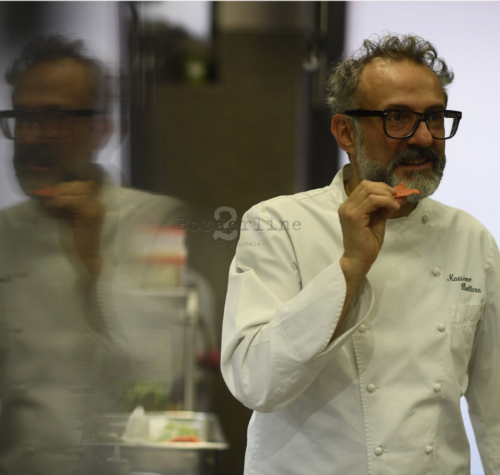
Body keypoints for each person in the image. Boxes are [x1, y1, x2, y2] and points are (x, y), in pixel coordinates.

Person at [221, 34, 500, 474]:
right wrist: (351, 268)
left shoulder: (472, 239)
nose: (424, 137)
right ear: (345, 132)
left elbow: (495, 407)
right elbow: (255, 382)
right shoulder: (279, 224)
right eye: (397, 117)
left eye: (434, 117)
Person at [0, 34, 188, 475]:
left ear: (102, 129)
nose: (29, 136)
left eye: (53, 118)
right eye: (22, 117)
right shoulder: (3, 234)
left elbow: (167, 367)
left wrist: (95, 263)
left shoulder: (159, 222)